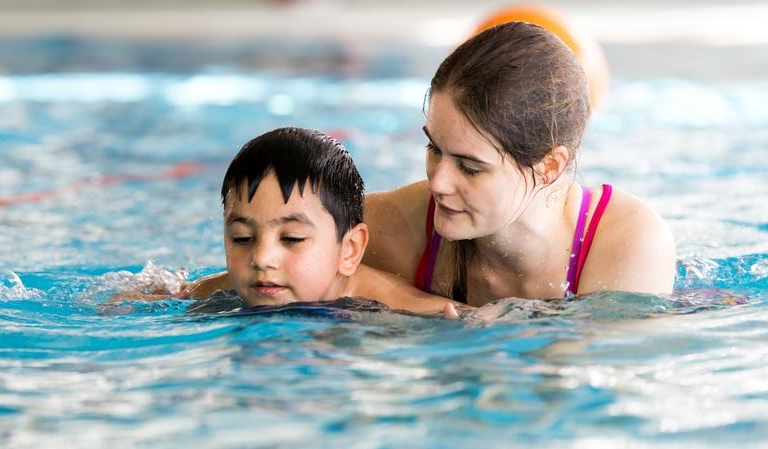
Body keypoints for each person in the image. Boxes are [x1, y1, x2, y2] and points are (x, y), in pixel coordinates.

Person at [360, 21, 675, 306]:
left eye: (470, 167)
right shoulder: (396, 227)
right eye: (434, 147)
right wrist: (404, 297)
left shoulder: (627, 246)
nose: (437, 183)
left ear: (549, 166)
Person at [196, 126, 461, 316]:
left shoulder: (401, 309)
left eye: (292, 238)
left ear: (350, 249)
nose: (261, 258)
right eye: (242, 238)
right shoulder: (230, 287)